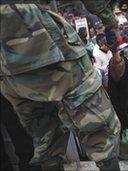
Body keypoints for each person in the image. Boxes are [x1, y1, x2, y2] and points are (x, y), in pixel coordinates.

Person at [0, 1, 121, 170]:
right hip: (42, 35)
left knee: (43, 128)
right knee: (96, 119)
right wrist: (110, 22)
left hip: (6, 64)